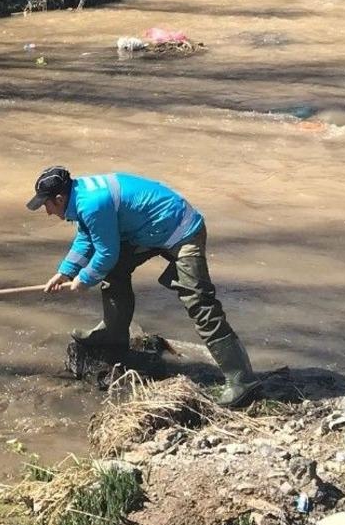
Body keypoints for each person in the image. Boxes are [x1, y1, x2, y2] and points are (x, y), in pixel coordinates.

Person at [27, 166, 260, 407]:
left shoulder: (92, 203)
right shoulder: (80, 196)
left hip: (182, 231)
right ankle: (113, 335)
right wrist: (64, 273)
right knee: (115, 271)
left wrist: (84, 280)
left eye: (47, 206)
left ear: (59, 198)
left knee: (199, 302)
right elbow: (87, 237)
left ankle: (241, 380)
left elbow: (106, 253)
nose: (47, 212)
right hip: (148, 231)